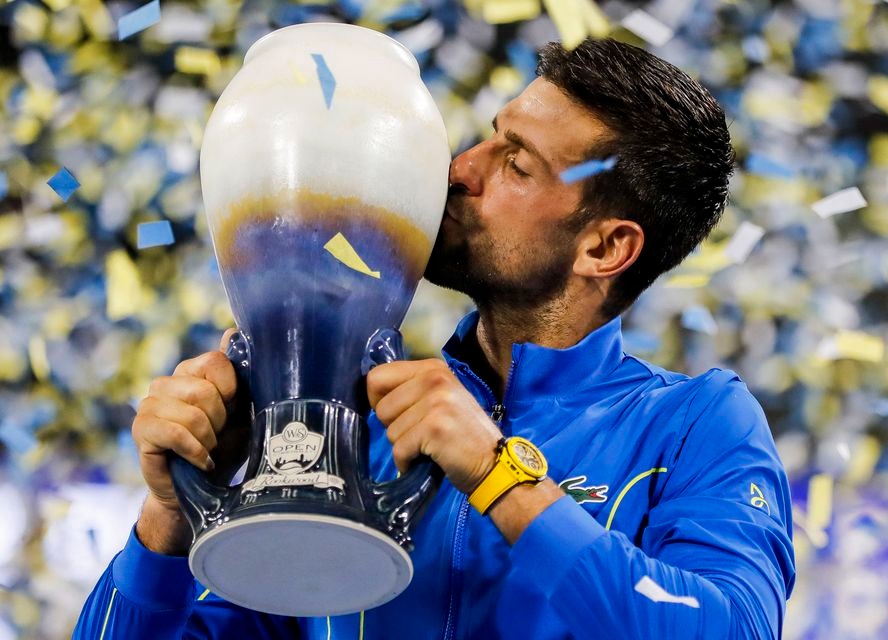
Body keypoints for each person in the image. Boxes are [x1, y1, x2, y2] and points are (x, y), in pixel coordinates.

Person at [74, 37, 795, 639]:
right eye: (490, 136)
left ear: (605, 248)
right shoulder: (354, 425)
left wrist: (497, 476)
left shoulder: (696, 423)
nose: (459, 169)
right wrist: (170, 517)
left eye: (515, 163)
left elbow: (734, 626)